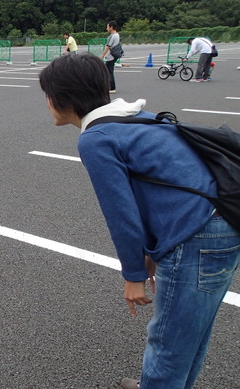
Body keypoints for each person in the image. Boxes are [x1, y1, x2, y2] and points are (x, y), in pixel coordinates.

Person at [38, 53, 239, 389]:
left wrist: (133, 275)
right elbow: (161, 190)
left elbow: (122, 214)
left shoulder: (97, 139)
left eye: (47, 95)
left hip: (198, 237)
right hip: (223, 224)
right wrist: (151, 255)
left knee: (169, 344)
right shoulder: (136, 117)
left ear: (63, 97)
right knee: (190, 334)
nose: (46, 103)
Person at [99, 21, 120, 94]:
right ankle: (108, 87)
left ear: (111, 27)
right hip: (111, 56)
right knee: (107, 71)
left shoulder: (113, 36)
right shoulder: (116, 35)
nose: (106, 28)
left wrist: (102, 56)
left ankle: (112, 88)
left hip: (110, 57)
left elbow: (108, 47)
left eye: (107, 27)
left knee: (109, 72)